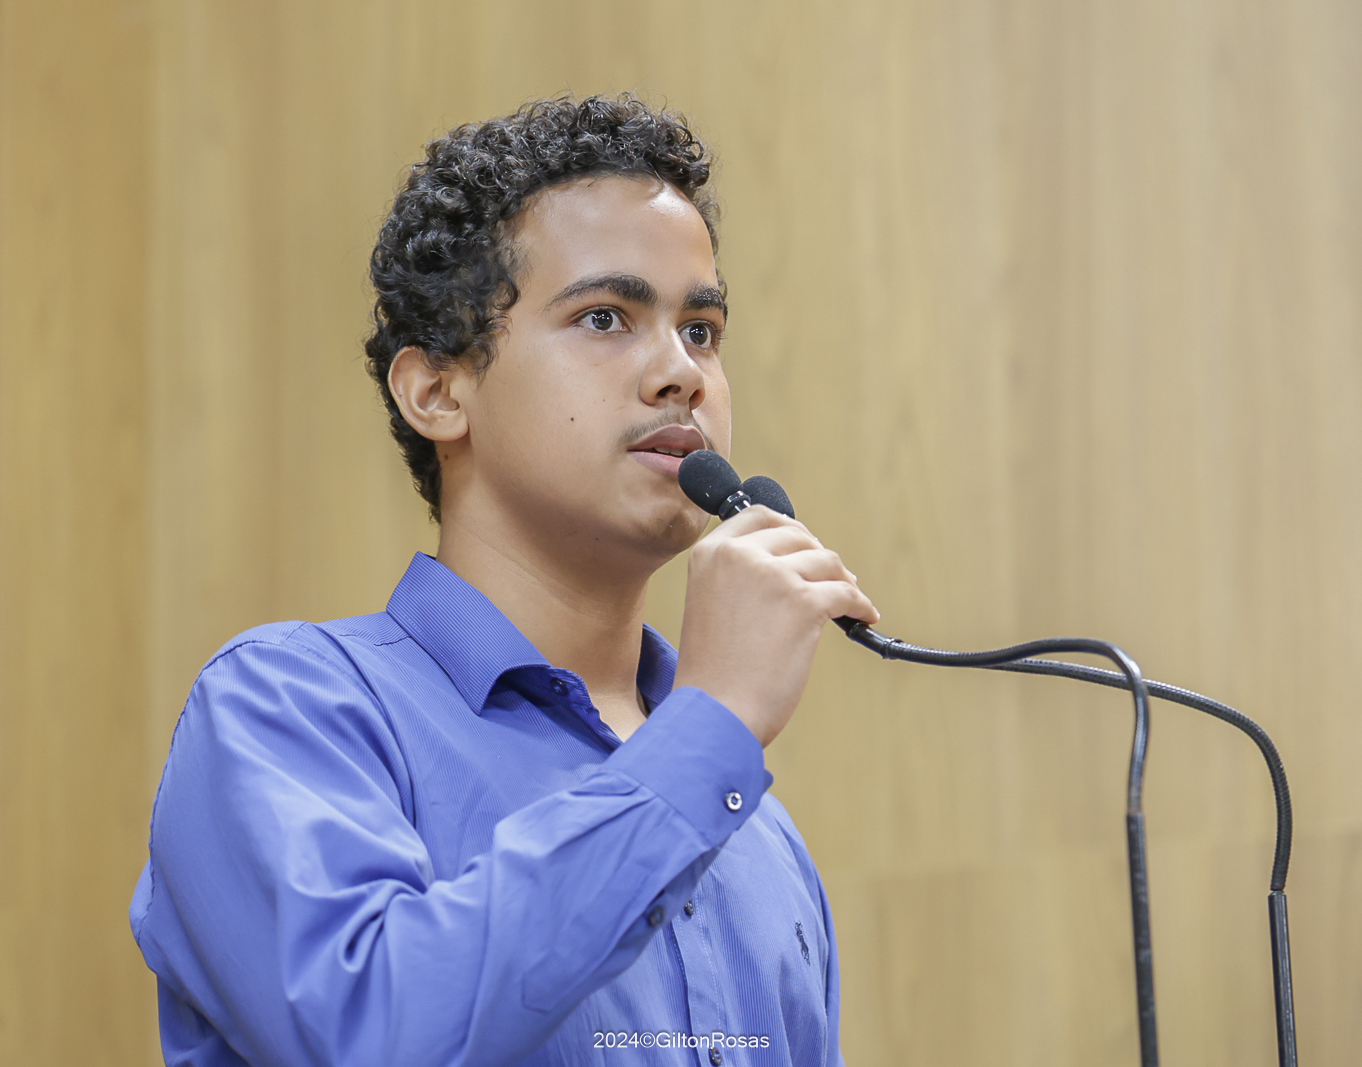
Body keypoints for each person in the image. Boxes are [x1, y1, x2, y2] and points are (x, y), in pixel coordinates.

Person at [130, 94, 878, 1067]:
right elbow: (369, 1037)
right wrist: (712, 728)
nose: (681, 373)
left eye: (700, 329)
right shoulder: (285, 709)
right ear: (438, 390)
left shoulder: (753, 825)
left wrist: (707, 743)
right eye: (606, 317)